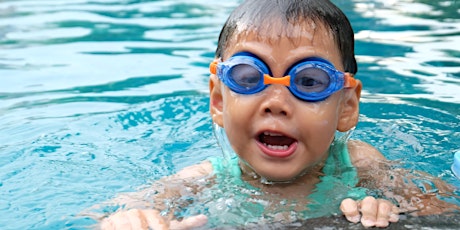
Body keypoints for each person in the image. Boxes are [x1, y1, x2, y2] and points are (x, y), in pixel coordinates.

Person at [99, 0, 459, 229]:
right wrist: (128, 220)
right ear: (219, 101)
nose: (276, 102)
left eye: (309, 80)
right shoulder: (204, 179)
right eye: (248, 78)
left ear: (346, 107)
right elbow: (118, 211)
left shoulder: (359, 164)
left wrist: (388, 211)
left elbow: (439, 207)